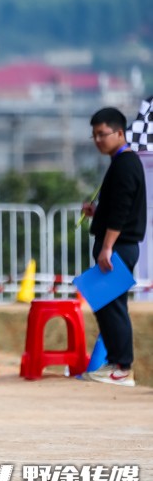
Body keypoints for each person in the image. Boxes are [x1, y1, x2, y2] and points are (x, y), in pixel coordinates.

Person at [83, 107, 146, 387]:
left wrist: (107, 247)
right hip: (117, 243)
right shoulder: (119, 163)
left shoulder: (125, 164)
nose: (98, 140)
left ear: (119, 133)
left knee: (113, 305)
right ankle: (114, 362)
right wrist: (96, 212)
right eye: (94, 135)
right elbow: (117, 208)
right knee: (103, 302)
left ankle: (123, 366)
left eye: (103, 134)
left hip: (120, 245)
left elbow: (122, 211)